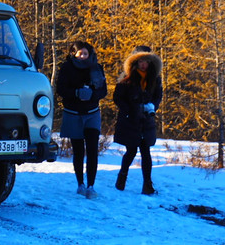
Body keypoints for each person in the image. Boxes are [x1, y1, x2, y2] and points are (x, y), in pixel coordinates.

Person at [54, 40, 107, 199]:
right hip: (73, 113)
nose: (83, 56)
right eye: (80, 53)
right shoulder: (66, 68)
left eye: (86, 53)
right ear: (73, 53)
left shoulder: (96, 67)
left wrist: (92, 94)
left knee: (92, 150)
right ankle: (80, 184)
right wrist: (76, 93)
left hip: (92, 113)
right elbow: (61, 89)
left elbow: (103, 90)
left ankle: (91, 185)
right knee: (78, 151)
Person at [112, 45, 163, 195]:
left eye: (146, 61)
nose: (143, 64)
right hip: (130, 120)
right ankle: (122, 176)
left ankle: (147, 184)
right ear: (134, 62)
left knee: (146, 151)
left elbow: (158, 97)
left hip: (146, 120)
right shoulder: (126, 79)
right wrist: (130, 110)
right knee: (132, 151)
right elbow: (118, 98)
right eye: (141, 61)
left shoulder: (154, 79)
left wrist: (152, 107)